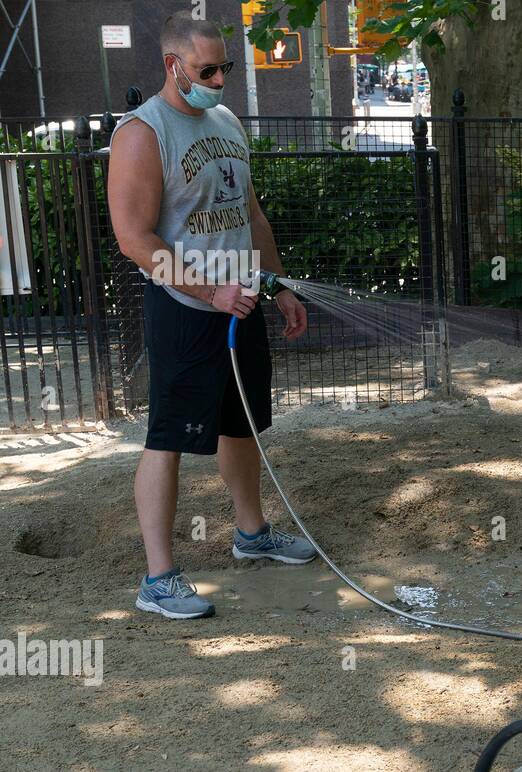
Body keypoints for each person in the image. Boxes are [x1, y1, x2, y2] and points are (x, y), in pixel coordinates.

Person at [107, 13, 315, 620]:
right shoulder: (142, 133)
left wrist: (277, 287)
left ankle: (251, 535)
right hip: (183, 309)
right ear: (174, 66)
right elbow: (134, 239)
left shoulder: (225, 123)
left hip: (241, 302)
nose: (219, 79)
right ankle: (158, 577)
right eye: (207, 70)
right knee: (168, 438)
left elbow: (250, 216)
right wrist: (208, 293)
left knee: (241, 425)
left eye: (224, 67)